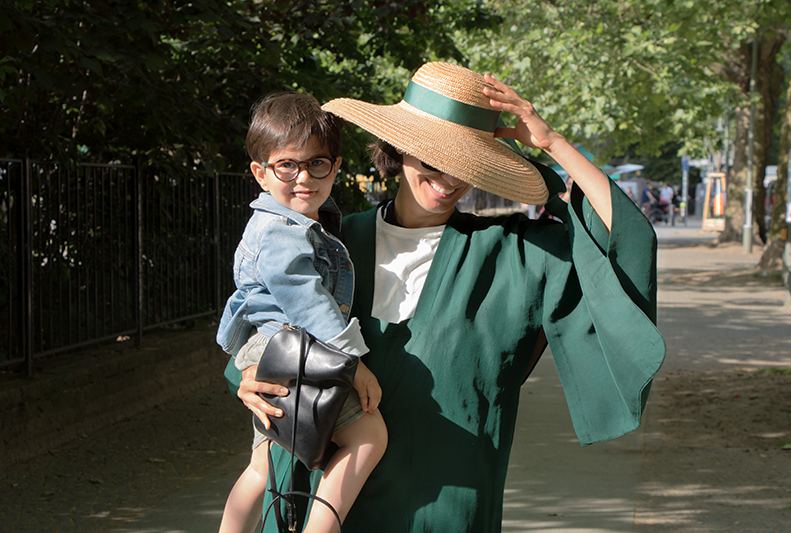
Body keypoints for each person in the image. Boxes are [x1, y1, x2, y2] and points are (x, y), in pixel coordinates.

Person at [229, 62, 665, 532]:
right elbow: (260, 319)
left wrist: (551, 144)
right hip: (316, 500)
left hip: (448, 509)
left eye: (466, 163)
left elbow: (625, 241)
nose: (449, 178)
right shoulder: (329, 244)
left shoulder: (518, 253)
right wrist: (248, 373)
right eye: (433, 159)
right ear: (398, 150)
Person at [216, 93, 387, 533]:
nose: (303, 177)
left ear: (336, 166)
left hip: (276, 345)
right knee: (368, 435)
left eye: (317, 164)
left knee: (265, 463)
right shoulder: (282, 233)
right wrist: (355, 366)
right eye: (287, 165)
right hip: (291, 345)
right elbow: (310, 304)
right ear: (260, 172)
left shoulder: (302, 221)